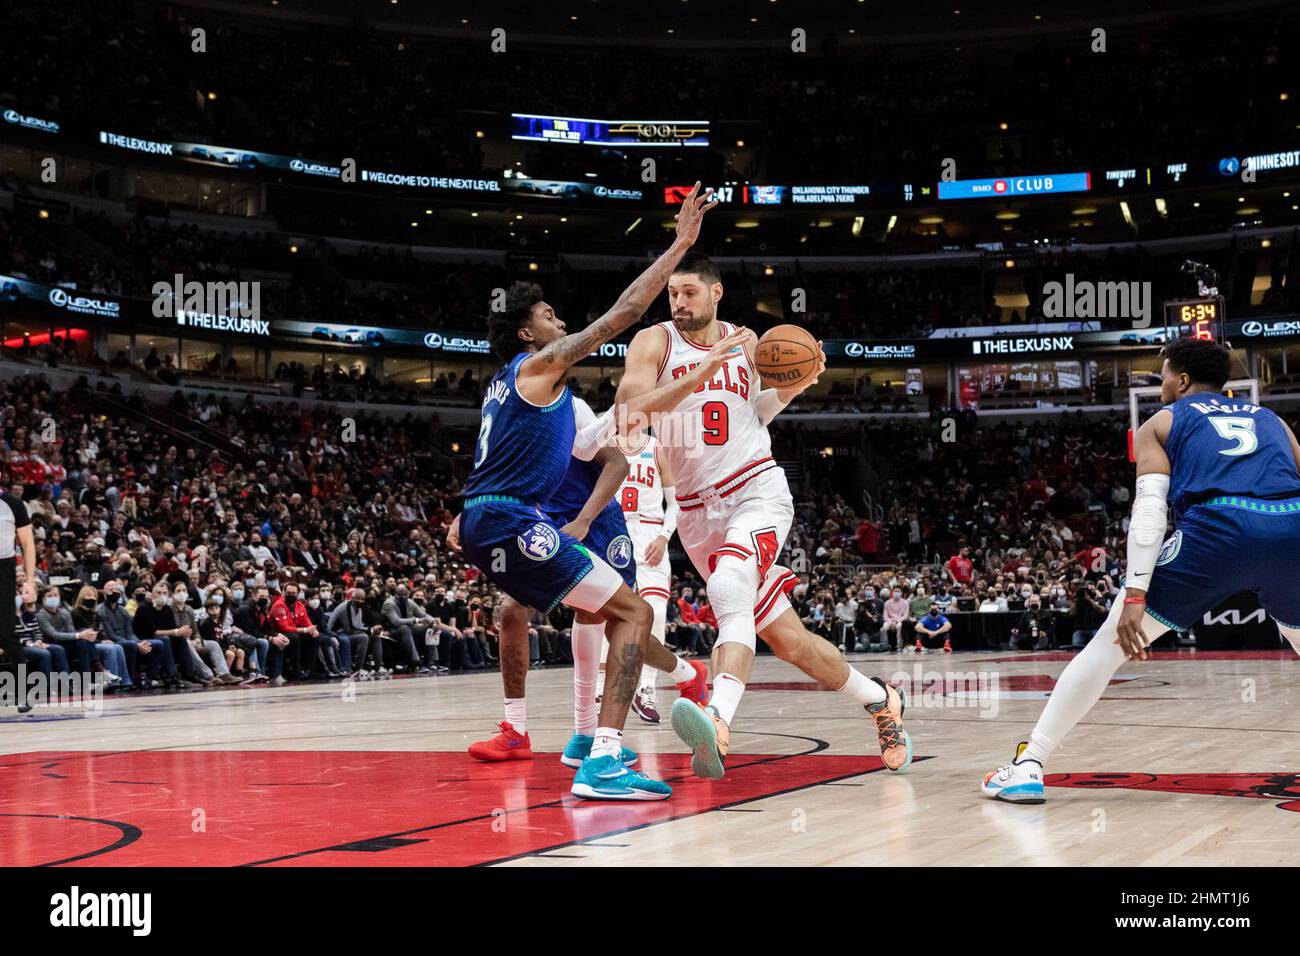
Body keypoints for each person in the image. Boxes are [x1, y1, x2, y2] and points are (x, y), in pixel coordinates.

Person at [456, 183, 717, 800]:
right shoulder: (537, 367)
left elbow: (583, 446)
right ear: (527, 334)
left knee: (588, 611)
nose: (561, 323)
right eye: (549, 316)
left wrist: (468, 513)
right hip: (515, 520)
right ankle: (602, 758)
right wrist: (680, 245)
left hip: (487, 519)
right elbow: (623, 313)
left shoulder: (507, 386)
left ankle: (584, 738)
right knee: (634, 612)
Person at [617, 252, 910, 780]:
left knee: (728, 586)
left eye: (689, 292)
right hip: (696, 513)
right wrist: (702, 370)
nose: (678, 302)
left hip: (756, 489)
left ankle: (717, 721)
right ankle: (881, 699)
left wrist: (792, 387)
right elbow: (629, 414)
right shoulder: (653, 342)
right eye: (673, 293)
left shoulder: (749, 342)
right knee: (790, 643)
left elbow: (757, 411)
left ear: (716, 293)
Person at [984, 339, 1300, 803]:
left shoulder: (1163, 422)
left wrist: (1135, 593)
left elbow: (1150, 511)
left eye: (1164, 374)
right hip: (1291, 526)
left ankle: (1029, 764)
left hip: (1217, 530)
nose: (1160, 383)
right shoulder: (1273, 421)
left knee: (1106, 648)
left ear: (1183, 380)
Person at [0, 489, 36, 711]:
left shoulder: (13, 504)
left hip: (3, 569)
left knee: (5, 633)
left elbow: (28, 543)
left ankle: (24, 689)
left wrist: (29, 581)